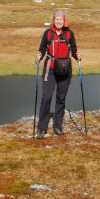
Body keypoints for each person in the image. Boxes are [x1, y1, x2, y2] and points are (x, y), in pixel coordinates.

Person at [35, 10, 81, 138]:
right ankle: (42, 128)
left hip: (65, 70)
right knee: (46, 97)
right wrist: (39, 56)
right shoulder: (48, 33)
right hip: (50, 68)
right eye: (56, 19)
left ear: (64, 20)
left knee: (61, 98)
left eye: (61, 19)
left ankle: (58, 126)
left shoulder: (69, 34)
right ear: (54, 21)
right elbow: (42, 48)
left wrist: (78, 57)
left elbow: (74, 50)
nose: (59, 21)